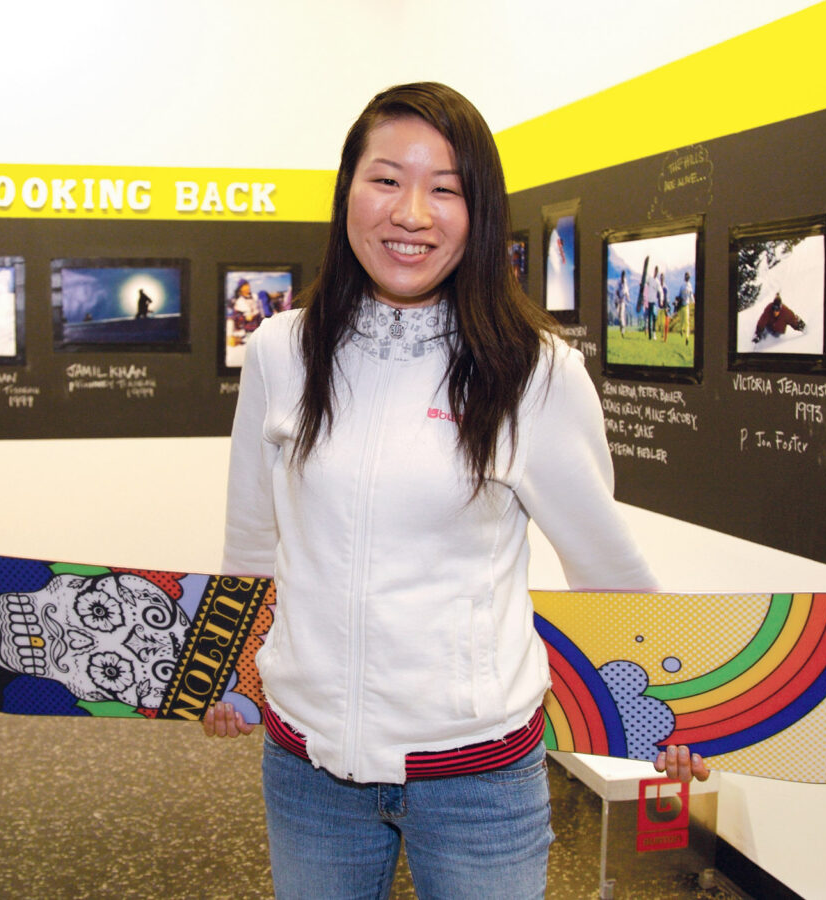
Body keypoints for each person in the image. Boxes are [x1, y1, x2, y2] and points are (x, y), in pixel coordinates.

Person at [201, 82, 706, 899]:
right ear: (346, 192)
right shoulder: (279, 353)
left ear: (481, 214)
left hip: (478, 781)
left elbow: (606, 568)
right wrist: (238, 668)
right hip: (309, 771)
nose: (412, 213)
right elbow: (252, 543)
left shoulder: (534, 371)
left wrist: (676, 708)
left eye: (446, 189)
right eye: (387, 179)